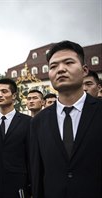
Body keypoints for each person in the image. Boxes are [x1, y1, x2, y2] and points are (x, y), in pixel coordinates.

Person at [30, 40, 102, 198]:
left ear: (84, 70)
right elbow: (38, 173)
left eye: (68, 63)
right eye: (53, 66)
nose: (61, 69)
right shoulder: (39, 121)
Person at [0, 78, 31, 198]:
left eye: (4, 91)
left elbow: (32, 157)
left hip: (18, 187)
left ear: (14, 96)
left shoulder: (28, 122)